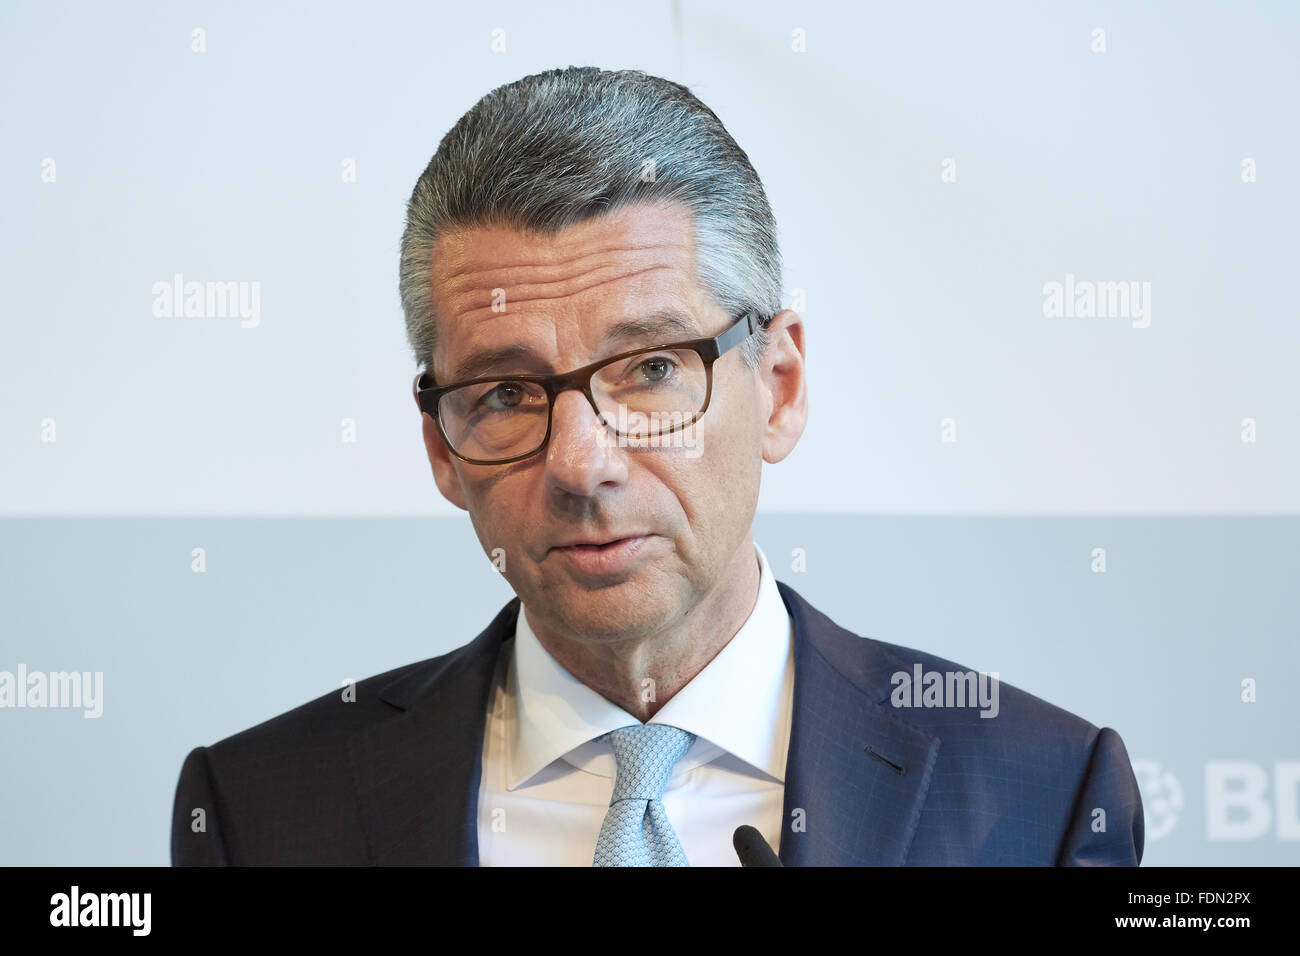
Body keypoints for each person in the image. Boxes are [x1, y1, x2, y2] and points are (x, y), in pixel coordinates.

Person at [171, 66, 1143, 866]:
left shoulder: (1044, 797)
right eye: (506, 393)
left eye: (650, 370)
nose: (581, 463)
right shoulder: (261, 812)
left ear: (781, 384)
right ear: (438, 444)